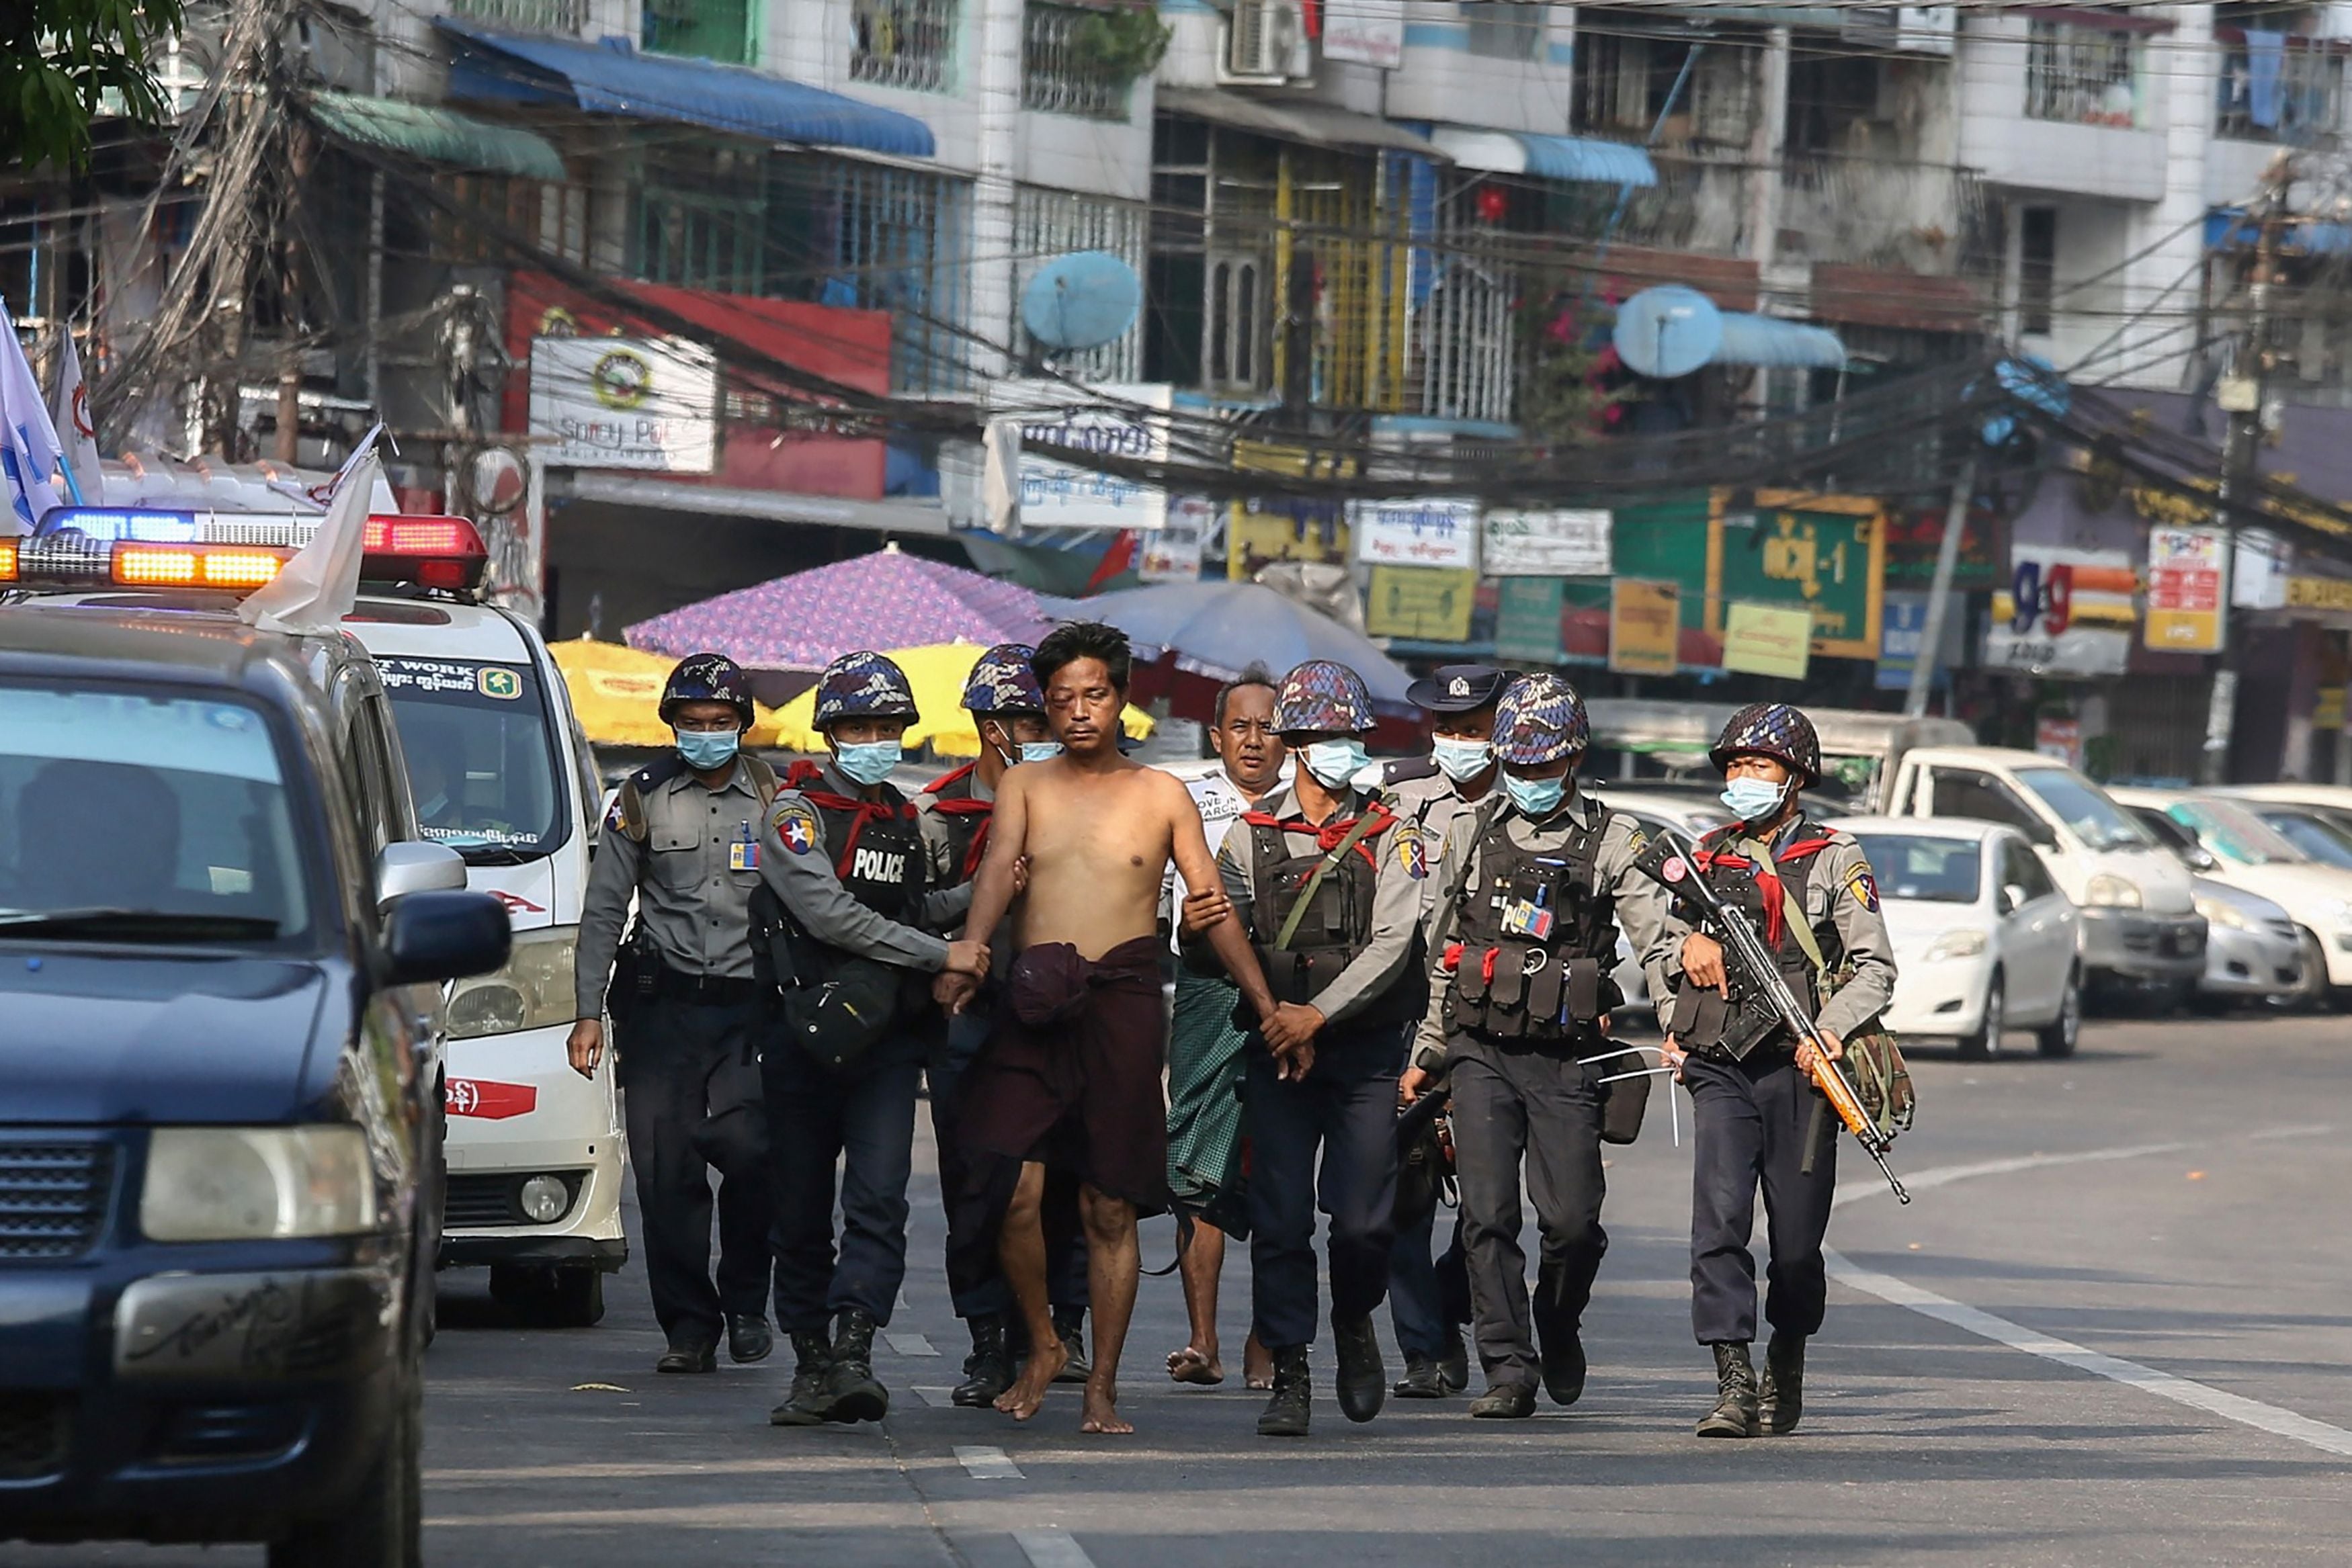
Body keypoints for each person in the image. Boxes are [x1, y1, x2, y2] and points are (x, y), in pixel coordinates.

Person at [946, 621, 1282, 1435]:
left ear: (1121, 700)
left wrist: (1266, 1006)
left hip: (1123, 1002)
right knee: (1013, 1193)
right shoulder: (1025, 786)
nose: (1078, 713)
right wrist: (969, 949)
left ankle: (1101, 1383)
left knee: (1106, 1207)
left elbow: (1210, 902)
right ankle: (1042, 1343)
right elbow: (996, 872)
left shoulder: (1159, 794)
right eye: (1060, 700)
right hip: (1035, 997)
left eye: (1093, 695)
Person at [1397, 673, 1677, 1420]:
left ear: (1574, 759)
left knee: (1573, 1223)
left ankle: (1557, 1321)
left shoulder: (1614, 839)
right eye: (1515, 766)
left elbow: (1657, 941)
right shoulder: (1469, 832)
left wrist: (1678, 1020)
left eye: (1541, 766)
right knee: (1486, 1216)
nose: (1527, 780)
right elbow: (1443, 950)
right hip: (1479, 1049)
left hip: (1567, 1058)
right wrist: (1427, 1053)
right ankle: (1507, 1366)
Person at [1185, 659, 1421, 1438]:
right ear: (1292, 743)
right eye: (1319, 735)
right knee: (1281, 1221)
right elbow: (1225, 925)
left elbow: (1392, 943)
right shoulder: (1249, 835)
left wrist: (1313, 1016)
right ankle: (1289, 1370)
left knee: (1361, 1224)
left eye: (1346, 735)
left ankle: (1355, 1321)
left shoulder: (1394, 835)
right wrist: (1271, 1014)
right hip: (1277, 1052)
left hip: (1360, 1056)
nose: (1335, 748)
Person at [759, 652, 991, 1428]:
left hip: (889, 1041)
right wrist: (941, 954)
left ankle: (854, 1351)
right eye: (859, 726)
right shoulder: (793, 814)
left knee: (879, 1201)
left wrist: (990, 890)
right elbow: (830, 916)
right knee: (796, 1209)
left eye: (886, 727)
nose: (874, 739)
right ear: (830, 732)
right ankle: (810, 1361)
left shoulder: (903, 813)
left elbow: (919, 906)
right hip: (804, 1038)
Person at [1656, 701, 1895, 1440]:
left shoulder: (1832, 858)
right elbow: (1663, 956)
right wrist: (1682, 964)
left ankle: (1785, 1352)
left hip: (1802, 1074)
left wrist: (1825, 1031)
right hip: (1721, 1065)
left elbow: (1874, 969)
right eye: (1733, 766)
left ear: (1794, 779)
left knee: (1794, 1245)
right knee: (1718, 1221)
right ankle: (1731, 1378)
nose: (1741, 778)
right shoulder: (1703, 857)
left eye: (1756, 765)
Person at [570, 654, 779, 1375]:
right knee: (666, 1177)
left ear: (742, 727)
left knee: (755, 1153)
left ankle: (747, 1302)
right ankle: (689, 1327)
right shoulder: (642, 797)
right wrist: (586, 1011)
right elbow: (602, 910)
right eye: (692, 725)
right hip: (662, 1009)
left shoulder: (778, 797)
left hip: (751, 1010)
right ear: (673, 726)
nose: (707, 735)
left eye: (721, 724)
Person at [915, 644, 1091, 1408]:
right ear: (993, 726)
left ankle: (1064, 1327)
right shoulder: (940, 812)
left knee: (1072, 1181)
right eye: (1028, 715)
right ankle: (988, 1340)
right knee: (977, 1184)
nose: (1046, 727)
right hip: (972, 1019)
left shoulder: (1088, 797)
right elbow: (911, 915)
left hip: (1063, 1016)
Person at [1377, 663, 1509, 1400]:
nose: (1457, 742)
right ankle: (1424, 1350)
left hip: (1494, 1023)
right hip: (1403, 1019)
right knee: (1405, 1195)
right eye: (1446, 729)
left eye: (1472, 730)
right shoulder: (1395, 799)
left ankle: (1451, 1304)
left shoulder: (1528, 805)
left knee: (1494, 1201)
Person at [1163, 666, 1287, 1393]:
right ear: (1216, 736)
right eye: (1238, 726)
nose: (1252, 740)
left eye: (1266, 726)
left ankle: (1264, 1343)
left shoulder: (1309, 804)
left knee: (1277, 1170)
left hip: (1288, 998)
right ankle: (1201, 1339)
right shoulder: (1182, 801)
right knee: (1197, 1171)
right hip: (1207, 994)